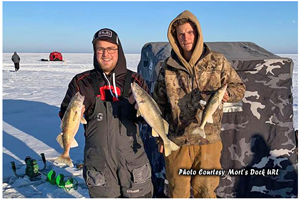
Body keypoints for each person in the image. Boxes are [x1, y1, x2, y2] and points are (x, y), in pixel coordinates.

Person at [153, 10, 246, 198]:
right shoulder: (167, 66)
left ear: (197, 33)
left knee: (205, 192)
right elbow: (158, 106)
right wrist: (159, 138)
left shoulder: (217, 61)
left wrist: (228, 93)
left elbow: (239, 88)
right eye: (181, 34)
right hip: (177, 142)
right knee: (177, 192)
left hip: (208, 141)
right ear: (174, 37)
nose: (186, 38)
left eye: (189, 32)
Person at [59, 28, 153, 198]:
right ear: (95, 52)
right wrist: (76, 112)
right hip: (99, 164)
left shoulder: (135, 81)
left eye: (111, 48)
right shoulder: (82, 82)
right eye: (100, 49)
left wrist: (139, 108)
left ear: (119, 50)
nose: (105, 54)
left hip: (132, 162)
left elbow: (150, 119)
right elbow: (64, 115)